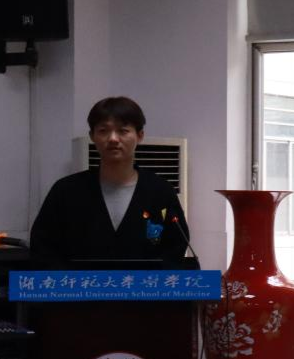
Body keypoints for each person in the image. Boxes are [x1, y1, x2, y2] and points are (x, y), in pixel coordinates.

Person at [30, 96, 194, 268]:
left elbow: (175, 246)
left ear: (140, 136)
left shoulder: (160, 191)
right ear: (92, 136)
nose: (113, 138)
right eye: (103, 131)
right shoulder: (65, 191)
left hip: (143, 285)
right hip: (80, 284)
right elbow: (43, 248)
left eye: (123, 131)